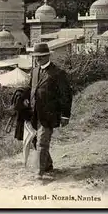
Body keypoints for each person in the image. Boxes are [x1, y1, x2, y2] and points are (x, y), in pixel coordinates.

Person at [26, 43, 73, 180]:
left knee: (42, 142)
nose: (38, 59)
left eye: (40, 57)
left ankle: (39, 173)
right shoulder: (34, 71)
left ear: (48, 56)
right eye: (36, 57)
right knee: (35, 141)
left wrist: (65, 115)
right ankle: (48, 165)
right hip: (34, 114)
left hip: (49, 114)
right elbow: (31, 89)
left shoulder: (58, 73)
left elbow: (66, 96)